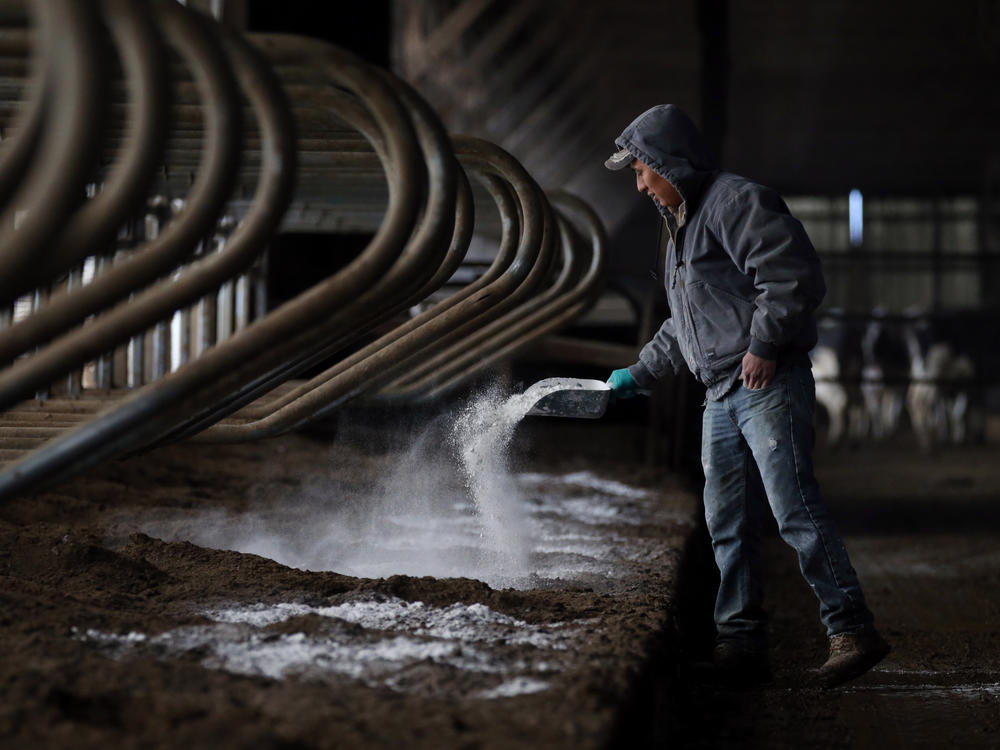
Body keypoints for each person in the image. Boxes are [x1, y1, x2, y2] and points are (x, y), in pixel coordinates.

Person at [603, 104, 889, 688]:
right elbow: (685, 324)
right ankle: (741, 643)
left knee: (794, 510)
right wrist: (639, 373)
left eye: (640, 169)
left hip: (765, 381)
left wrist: (763, 344)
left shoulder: (735, 203)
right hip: (719, 394)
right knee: (725, 520)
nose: (638, 182)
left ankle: (852, 628)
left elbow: (791, 276)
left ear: (666, 162)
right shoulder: (678, 226)